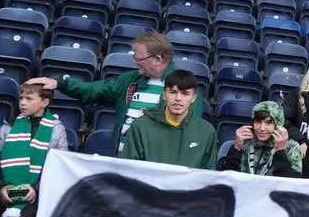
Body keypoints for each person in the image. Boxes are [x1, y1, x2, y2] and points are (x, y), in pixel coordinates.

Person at [35, 30, 200, 154]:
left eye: (139, 59)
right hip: (122, 162)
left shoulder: (185, 88)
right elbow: (94, 90)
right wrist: (59, 84)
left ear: (157, 59)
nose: (135, 62)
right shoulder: (129, 80)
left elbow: (190, 135)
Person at [0, 82, 69, 217]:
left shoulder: (57, 130)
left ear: (44, 102)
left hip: (36, 192)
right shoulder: (10, 125)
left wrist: (36, 188)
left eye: (29, 99)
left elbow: (59, 166)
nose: (22, 103)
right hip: (4, 187)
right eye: (21, 98)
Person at [121, 70, 218, 169]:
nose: (178, 98)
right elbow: (129, 170)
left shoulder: (206, 131)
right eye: (173, 92)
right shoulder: (140, 126)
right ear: (164, 95)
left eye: (185, 93)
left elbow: (208, 174)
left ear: (193, 98)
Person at [220, 101, 302, 177]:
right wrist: (236, 148)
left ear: (278, 124)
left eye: (269, 123)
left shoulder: (291, 147)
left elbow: (292, 183)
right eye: (258, 122)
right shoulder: (245, 143)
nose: (262, 128)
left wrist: (280, 152)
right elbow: (227, 178)